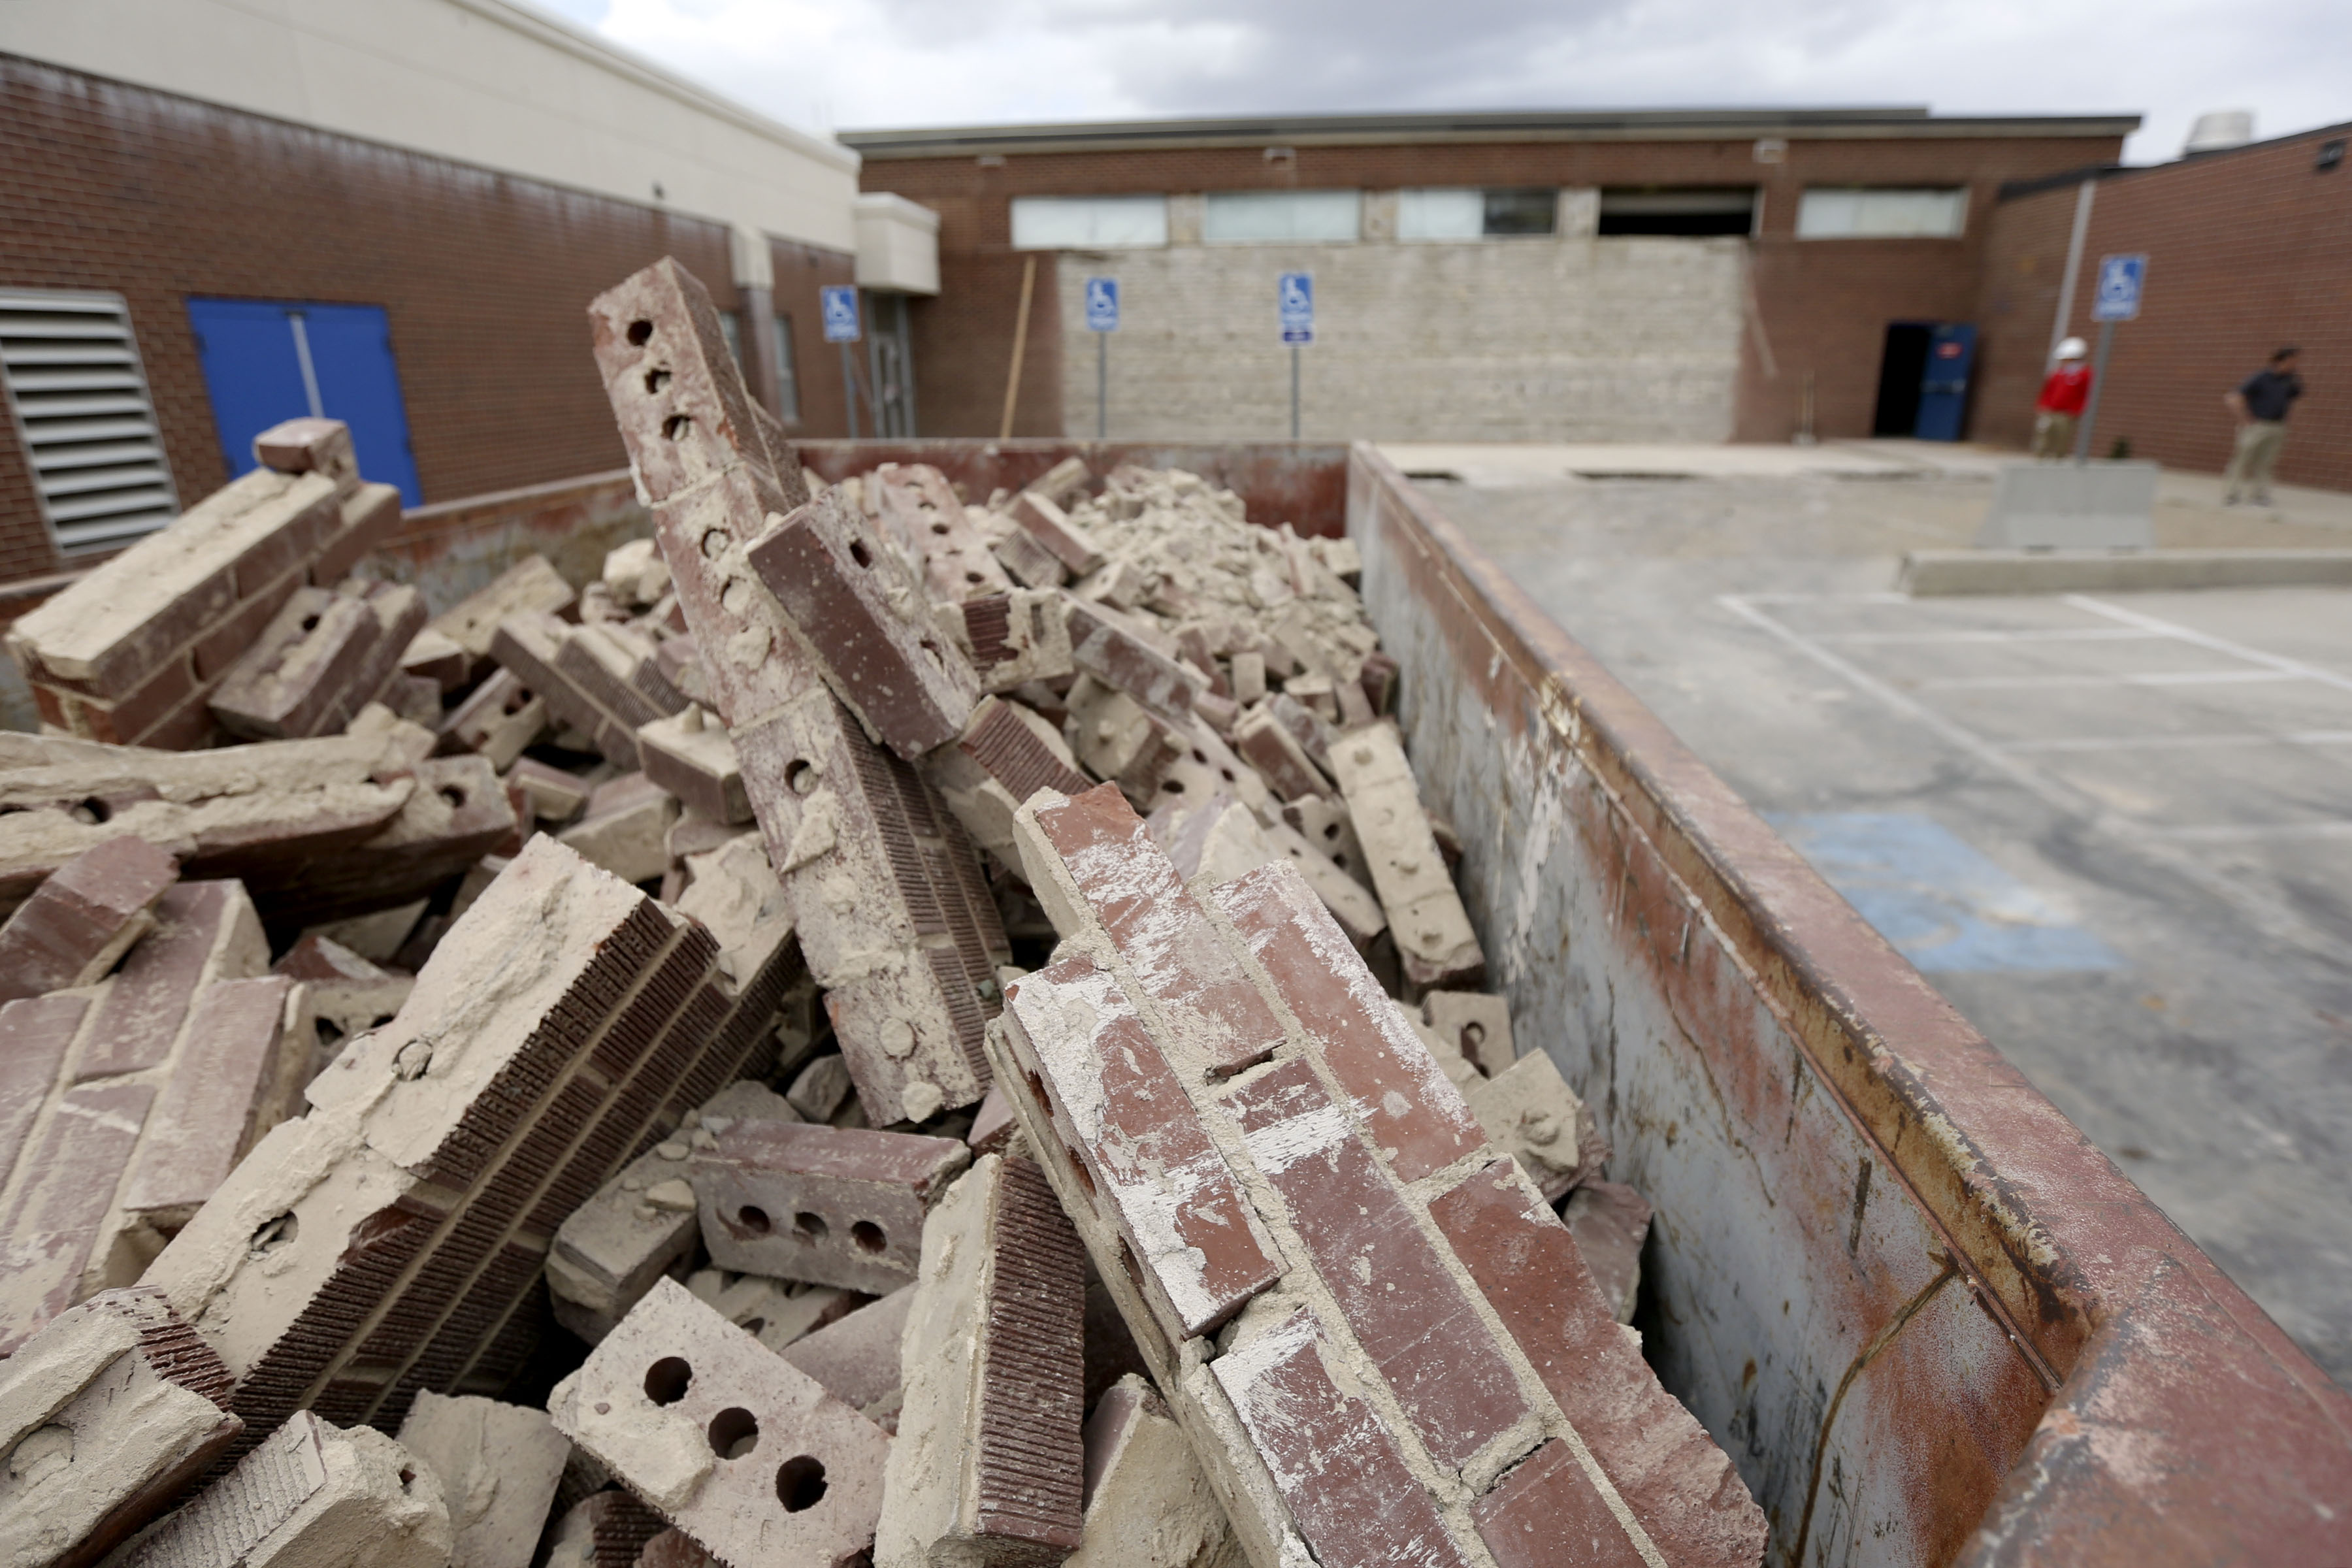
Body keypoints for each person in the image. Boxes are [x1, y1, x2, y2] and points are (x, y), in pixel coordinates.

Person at [2223, 347, 2304, 505]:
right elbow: (2234, 397)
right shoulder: (2261, 378)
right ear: (2281, 361)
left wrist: (2291, 421)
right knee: (2243, 459)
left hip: (2278, 426)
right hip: (2257, 425)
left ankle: (2260, 494)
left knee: (2267, 462)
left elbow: (2296, 400)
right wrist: (2245, 419)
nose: (2295, 364)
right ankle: (2231, 493)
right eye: (2292, 361)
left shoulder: (2292, 380)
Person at [2031, 338, 2093, 459]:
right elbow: (2048, 390)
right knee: (2043, 436)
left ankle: (2058, 461)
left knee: (2062, 439)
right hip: (2050, 412)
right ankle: (2039, 459)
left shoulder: (2085, 375)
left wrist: (2076, 411)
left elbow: (2085, 395)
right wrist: (2042, 405)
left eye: (2066, 359)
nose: (2064, 362)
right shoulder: (2058, 373)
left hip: (2066, 415)